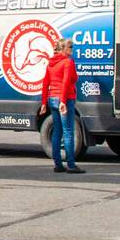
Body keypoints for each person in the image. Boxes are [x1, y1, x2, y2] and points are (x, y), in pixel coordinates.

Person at [42, 37, 83, 174]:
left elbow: (45, 83)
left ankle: (58, 164)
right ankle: (71, 165)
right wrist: (64, 101)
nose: (72, 49)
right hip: (64, 99)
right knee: (68, 132)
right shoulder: (67, 62)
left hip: (53, 99)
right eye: (70, 47)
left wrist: (43, 102)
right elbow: (66, 82)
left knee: (57, 132)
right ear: (63, 49)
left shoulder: (51, 63)